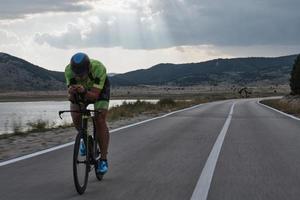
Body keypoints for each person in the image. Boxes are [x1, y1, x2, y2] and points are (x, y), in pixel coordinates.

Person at [64, 52, 110, 175]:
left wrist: (84, 91)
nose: (80, 77)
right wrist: (71, 94)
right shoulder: (68, 70)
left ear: (89, 68)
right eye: (77, 74)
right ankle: (85, 139)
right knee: (75, 114)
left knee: (99, 119)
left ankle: (103, 159)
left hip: (99, 90)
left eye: (82, 74)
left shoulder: (98, 68)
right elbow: (71, 98)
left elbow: (94, 96)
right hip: (82, 90)